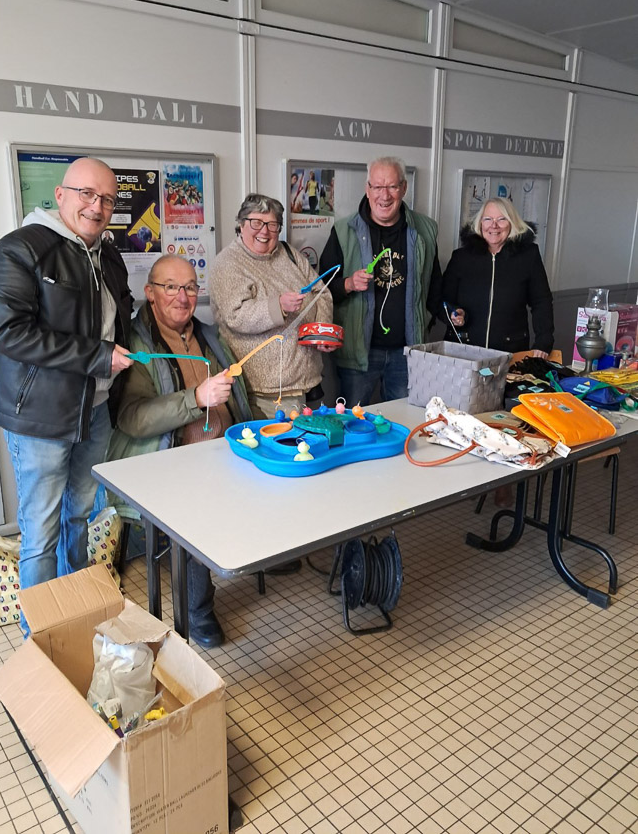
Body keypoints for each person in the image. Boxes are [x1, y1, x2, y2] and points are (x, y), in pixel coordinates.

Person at [0, 157, 134, 616]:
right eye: (87, 194)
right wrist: (96, 357)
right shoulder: (22, 247)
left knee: (80, 518)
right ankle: (44, 638)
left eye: (107, 198)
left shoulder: (108, 253)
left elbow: (118, 317)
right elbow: (9, 331)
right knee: (40, 533)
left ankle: (78, 612)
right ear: (61, 195)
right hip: (40, 418)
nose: (97, 206)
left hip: (97, 408)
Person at [107, 256, 251, 648]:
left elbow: (240, 394)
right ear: (150, 294)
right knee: (195, 513)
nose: (182, 296)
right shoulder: (137, 345)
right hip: (169, 460)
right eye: (170, 287)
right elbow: (133, 418)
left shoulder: (208, 336)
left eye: (189, 287)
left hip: (226, 450)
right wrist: (196, 398)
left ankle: (255, 557)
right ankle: (198, 611)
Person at [319, 156, 442, 405]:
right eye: (377, 187)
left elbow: (434, 287)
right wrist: (349, 284)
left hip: (408, 353)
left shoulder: (425, 230)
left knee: (404, 425)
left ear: (403, 188)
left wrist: (439, 319)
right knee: (351, 425)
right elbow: (322, 290)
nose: (384, 196)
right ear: (368, 189)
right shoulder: (344, 231)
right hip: (358, 356)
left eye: (392, 186)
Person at [210, 193, 335, 420]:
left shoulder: (289, 254)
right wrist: (278, 306)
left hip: (303, 383)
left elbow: (321, 292)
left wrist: (321, 331)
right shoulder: (227, 263)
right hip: (263, 392)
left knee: (303, 449)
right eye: (256, 223)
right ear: (241, 224)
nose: (264, 231)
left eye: (272, 224)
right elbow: (235, 315)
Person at [442, 197, 554, 357]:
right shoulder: (461, 257)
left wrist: (543, 342)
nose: (494, 225)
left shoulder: (529, 256)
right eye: (487, 219)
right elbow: (443, 300)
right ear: (480, 223)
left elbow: (541, 301)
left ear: (512, 223)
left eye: (501, 219)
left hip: (510, 351)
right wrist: (454, 313)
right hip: (464, 351)